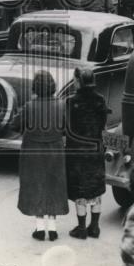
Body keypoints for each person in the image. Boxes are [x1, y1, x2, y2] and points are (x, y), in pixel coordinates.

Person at [17, 71, 68, 241]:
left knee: (36, 186)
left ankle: (39, 229)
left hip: (33, 151)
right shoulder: (62, 105)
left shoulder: (29, 106)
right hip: (55, 150)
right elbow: (68, 129)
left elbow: (14, 125)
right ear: (52, 86)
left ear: (35, 87)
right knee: (53, 186)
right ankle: (52, 229)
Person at [65, 68, 108, 240]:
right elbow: (104, 124)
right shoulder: (100, 100)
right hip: (95, 149)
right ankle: (95, 227)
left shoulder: (71, 102)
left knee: (80, 190)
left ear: (78, 81)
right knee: (95, 188)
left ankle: (81, 228)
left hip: (77, 151)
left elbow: (66, 128)